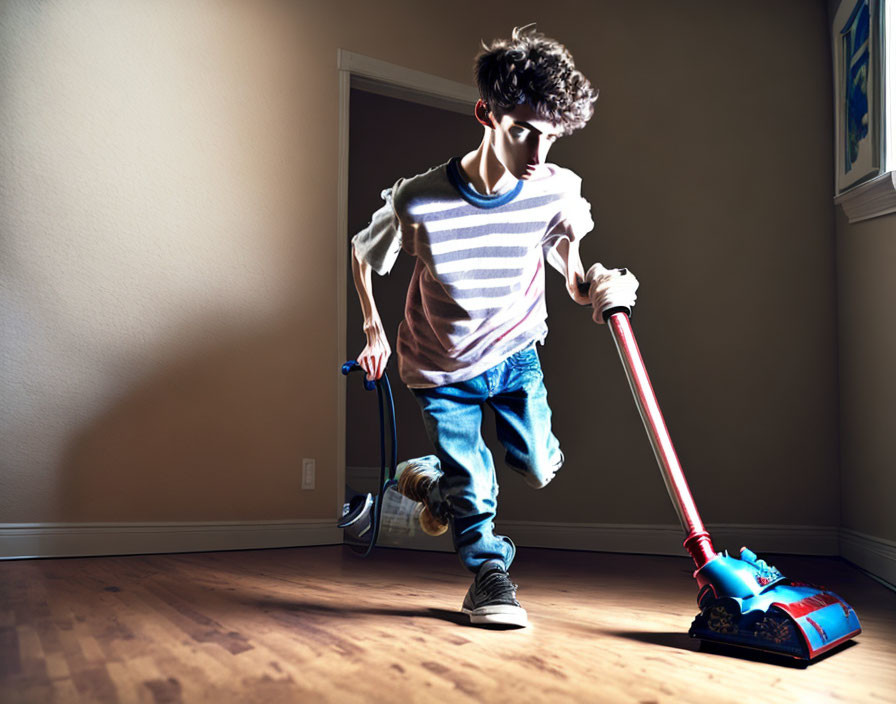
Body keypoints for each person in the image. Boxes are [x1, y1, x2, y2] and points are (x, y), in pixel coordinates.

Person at [350, 25, 638, 628]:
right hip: (439, 366)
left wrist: (602, 286)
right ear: (487, 114)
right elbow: (362, 252)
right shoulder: (417, 201)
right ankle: (489, 577)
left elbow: (574, 272)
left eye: (551, 138)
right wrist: (375, 333)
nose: (538, 155)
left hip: (514, 354)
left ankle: (430, 484)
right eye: (523, 132)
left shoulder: (557, 190)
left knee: (537, 467)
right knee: (475, 488)